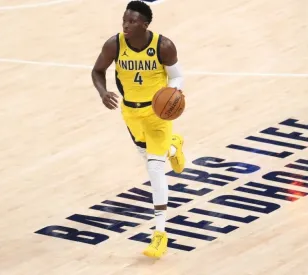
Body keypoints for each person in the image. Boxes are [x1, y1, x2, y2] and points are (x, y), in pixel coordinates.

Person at [91, 0, 185, 259]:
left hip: (157, 114)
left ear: (145, 25)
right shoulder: (115, 45)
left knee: (154, 169)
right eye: (124, 20)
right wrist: (103, 93)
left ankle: (160, 235)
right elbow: (97, 71)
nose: (126, 25)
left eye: (132, 21)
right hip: (130, 113)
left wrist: (173, 93)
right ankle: (174, 146)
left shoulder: (163, 46)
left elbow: (177, 75)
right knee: (147, 157)